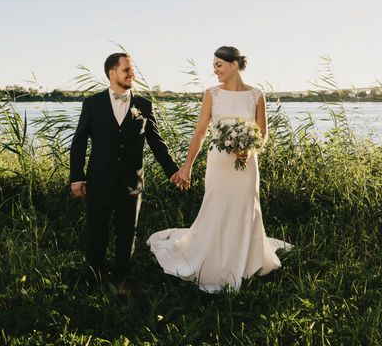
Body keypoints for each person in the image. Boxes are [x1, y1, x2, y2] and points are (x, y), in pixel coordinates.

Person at [147, 46, 293, 293]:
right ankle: (212, 258)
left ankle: (247, 259)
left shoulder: (257, 95)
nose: (214, 70)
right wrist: (187, 166)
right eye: (214, 65)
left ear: (234, 64)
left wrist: (250, 150)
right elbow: (201, 131)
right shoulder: (211, 94)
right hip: (219, 162)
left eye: (219, 65)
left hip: (247, 164)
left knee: (246, 205)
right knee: (218, 204)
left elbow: (263, 133)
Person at [69, 53, 187, 289]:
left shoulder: (143, 105)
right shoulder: (92, 103)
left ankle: (123, 279)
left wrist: (174, 171)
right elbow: (79, 142)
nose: (132, 73)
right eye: (127, 69)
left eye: (132, 69)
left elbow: (156, 141)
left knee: (127, 233)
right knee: (96, 232)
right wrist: (77, 177)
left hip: (132, 182)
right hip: (99, 180)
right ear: (112, 73)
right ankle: (94, 278)